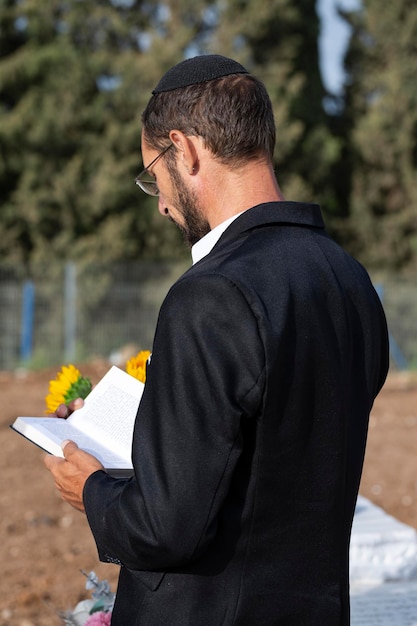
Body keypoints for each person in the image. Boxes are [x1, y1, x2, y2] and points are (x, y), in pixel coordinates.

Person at [44, 54, 389, 625]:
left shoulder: (212, 293)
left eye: (153, 173)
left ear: (185, 149)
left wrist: (94, 490)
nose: (160, 201)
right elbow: (273, 448)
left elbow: (168, 527)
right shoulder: (348, 278)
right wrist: (146, 427)